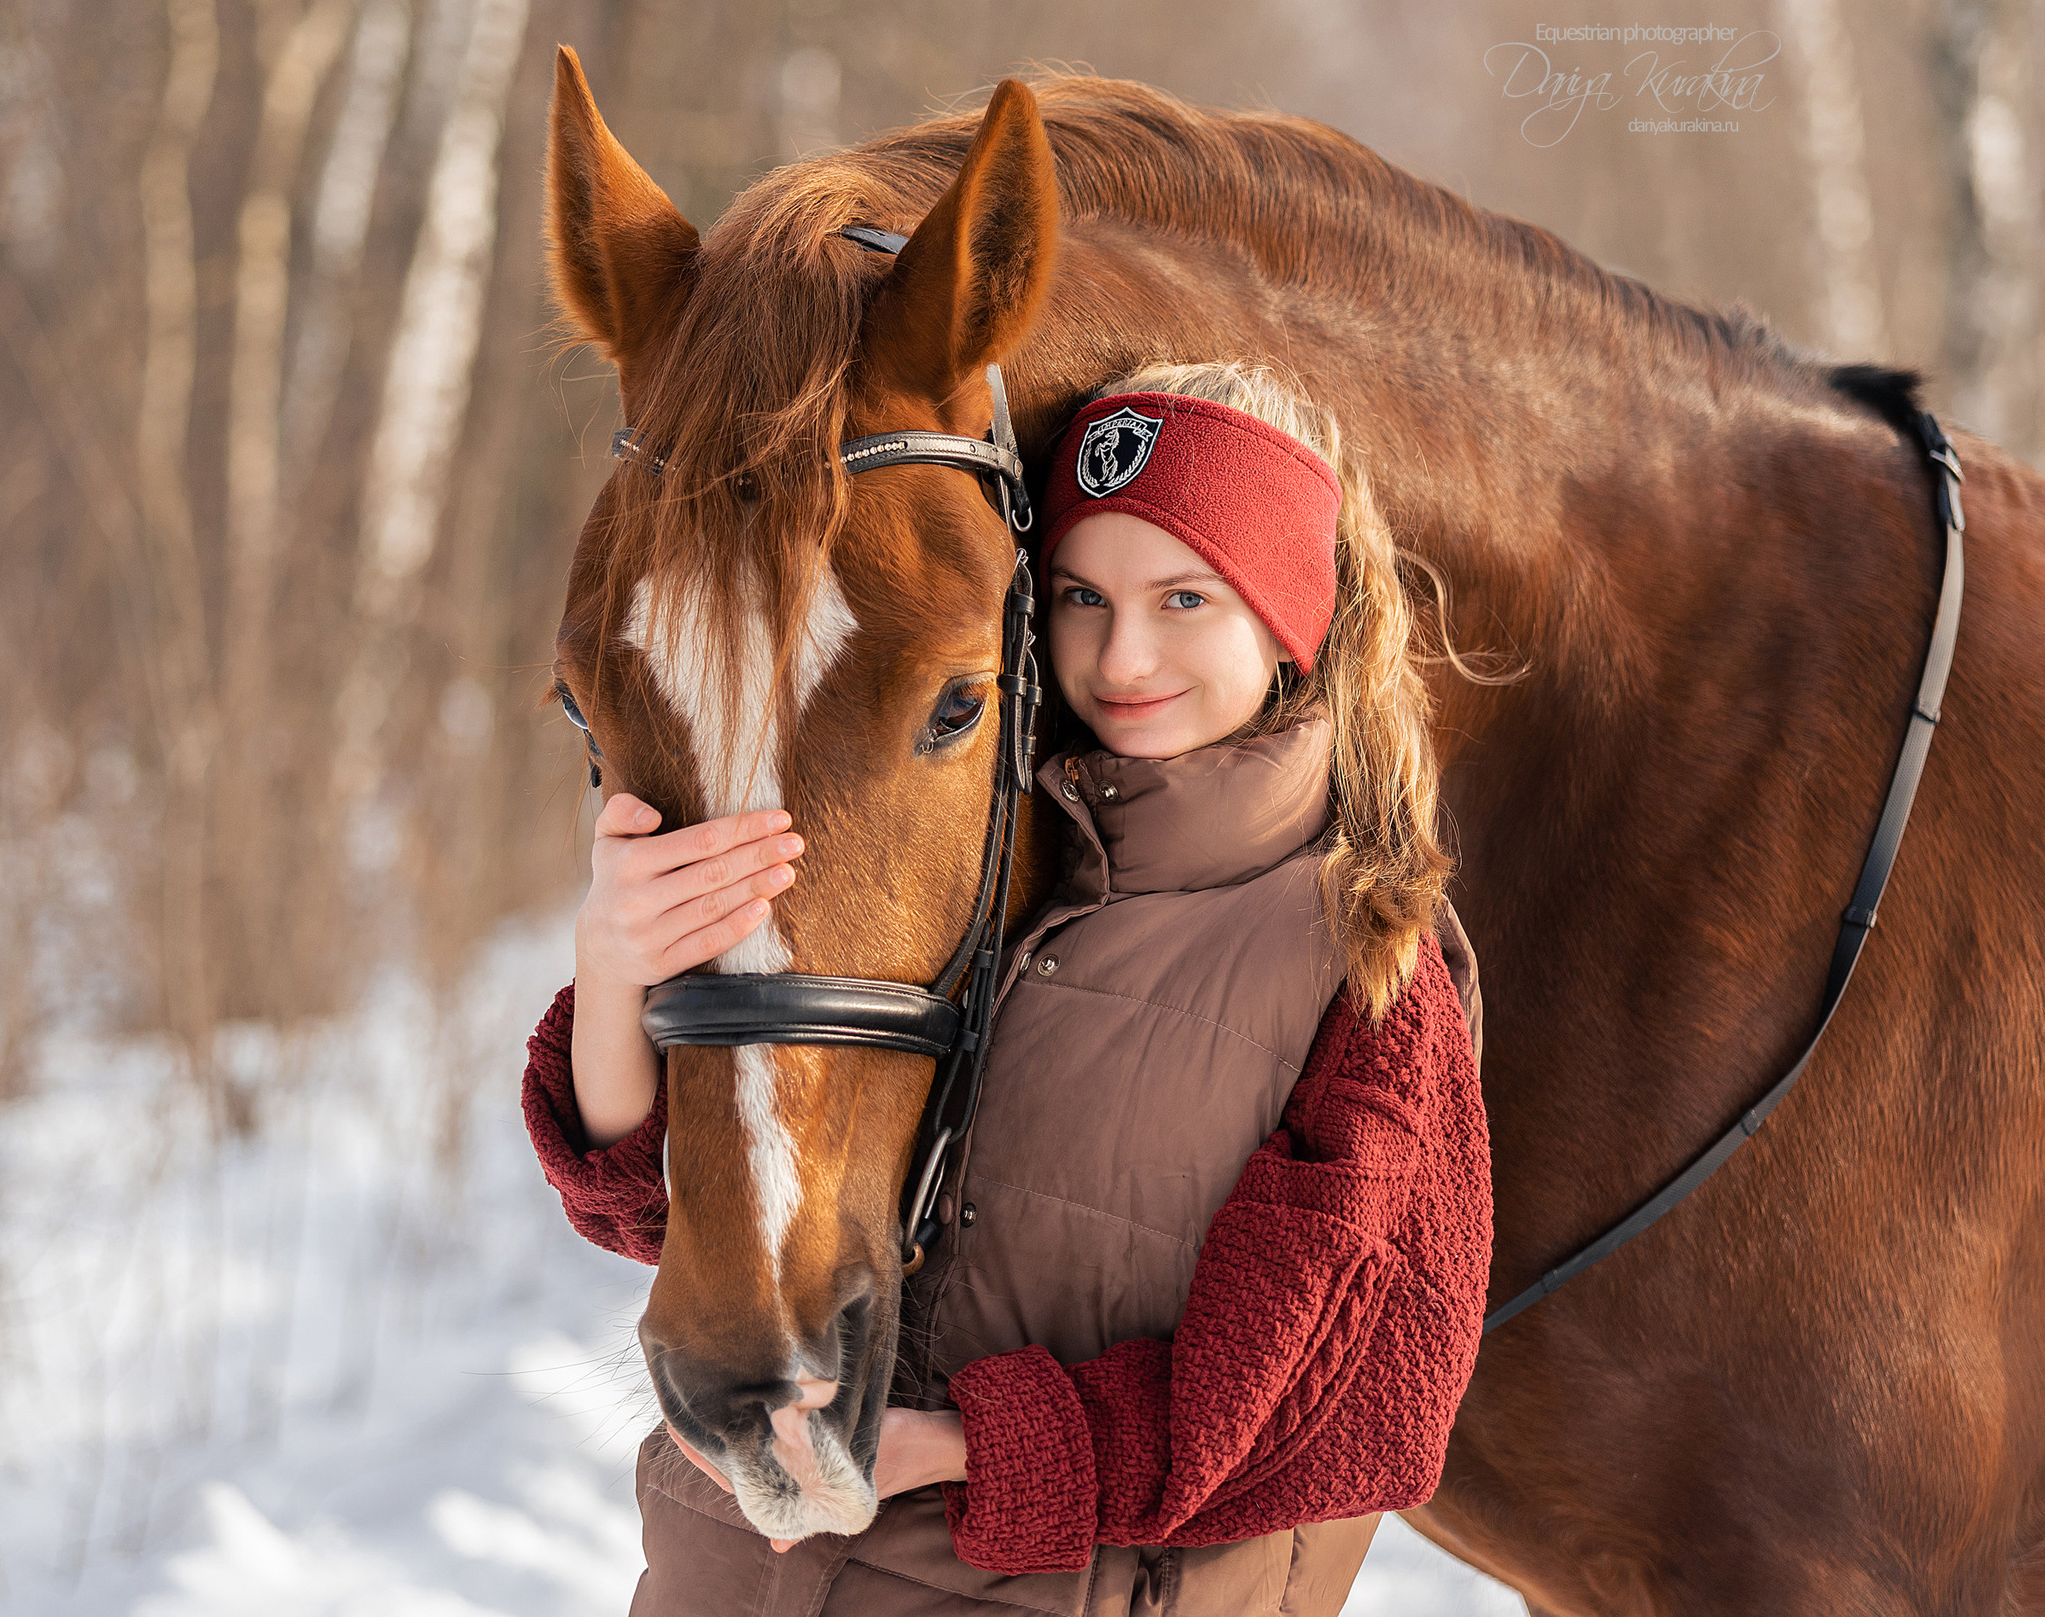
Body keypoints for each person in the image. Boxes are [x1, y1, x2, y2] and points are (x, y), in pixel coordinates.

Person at [522, 362, 1495, 1615]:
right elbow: (663, 1206)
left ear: (1291, 620)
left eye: (1185, 596)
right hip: (735, 1572)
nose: (1123, 652)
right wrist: (614, 966)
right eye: (1082, 596)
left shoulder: (1366, 963)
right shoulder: (987, 855)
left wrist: (968, 1445)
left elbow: (1355, 1402)